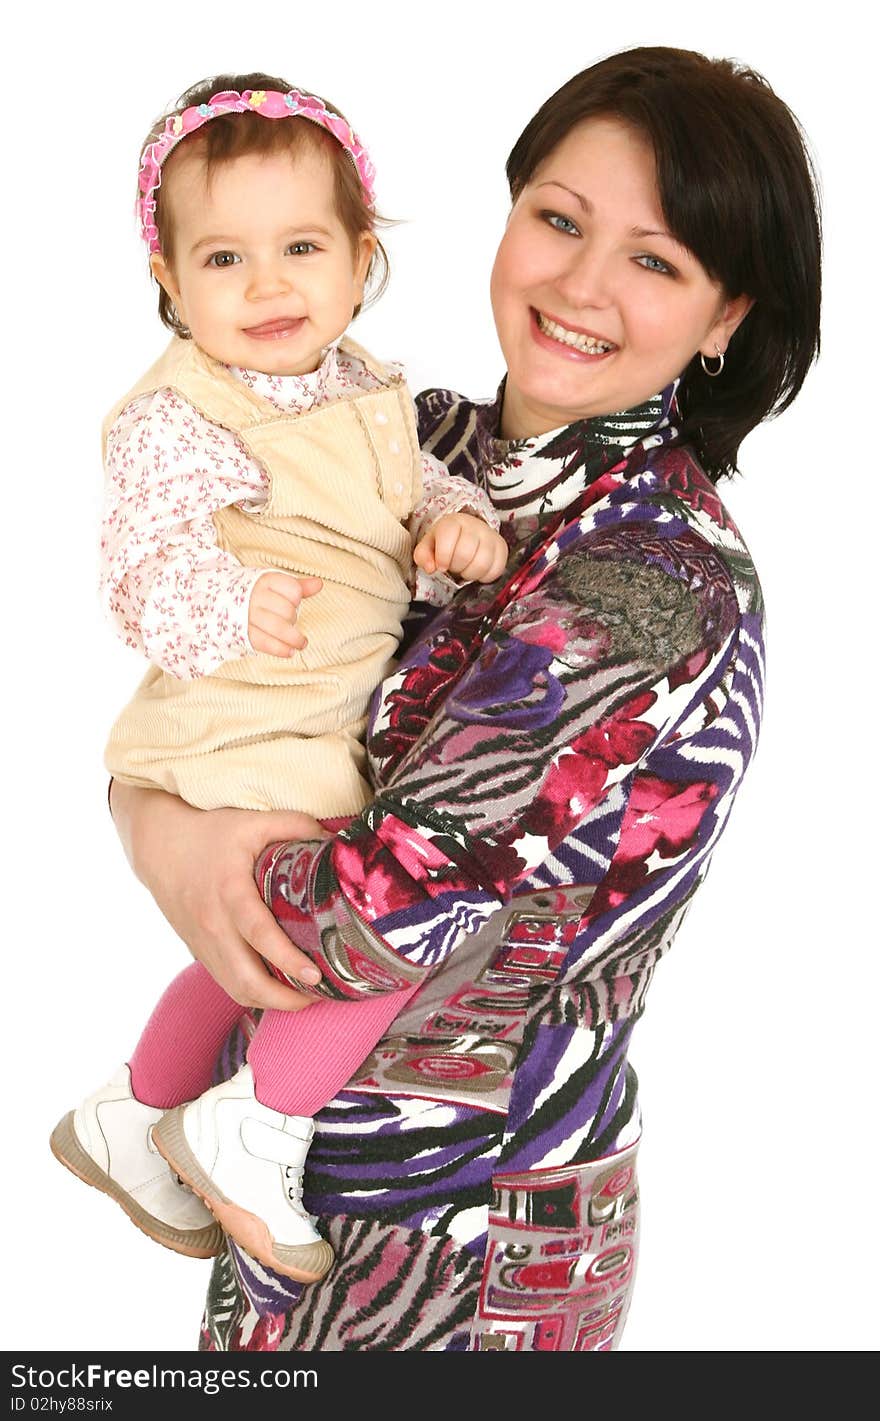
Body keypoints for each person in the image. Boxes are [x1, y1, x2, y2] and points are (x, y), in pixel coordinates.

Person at [106, 46, 821, 1351]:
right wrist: (154, 808)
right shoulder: (406, 443)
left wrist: (167, 819)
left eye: (655, 260)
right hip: (293, 1198)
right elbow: (192, 673)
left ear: (727, 317)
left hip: (464, 1258)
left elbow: (354, 926)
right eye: (558, 219)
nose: (580, 286)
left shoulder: (653, 583)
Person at [49, 74, 508, 1285]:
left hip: (314, 719)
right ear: (168, 278)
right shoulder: (177, 415)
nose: (266, 286)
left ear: (361, 260)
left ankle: (135, 1105)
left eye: (300, 246)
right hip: (240, 710)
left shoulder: (366, 389)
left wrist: (456, 527)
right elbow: (136, 570)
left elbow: (414, 493)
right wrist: (224, 597)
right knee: (372, 917)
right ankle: (255, 1121)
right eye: (223, 257)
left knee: (256, 943)